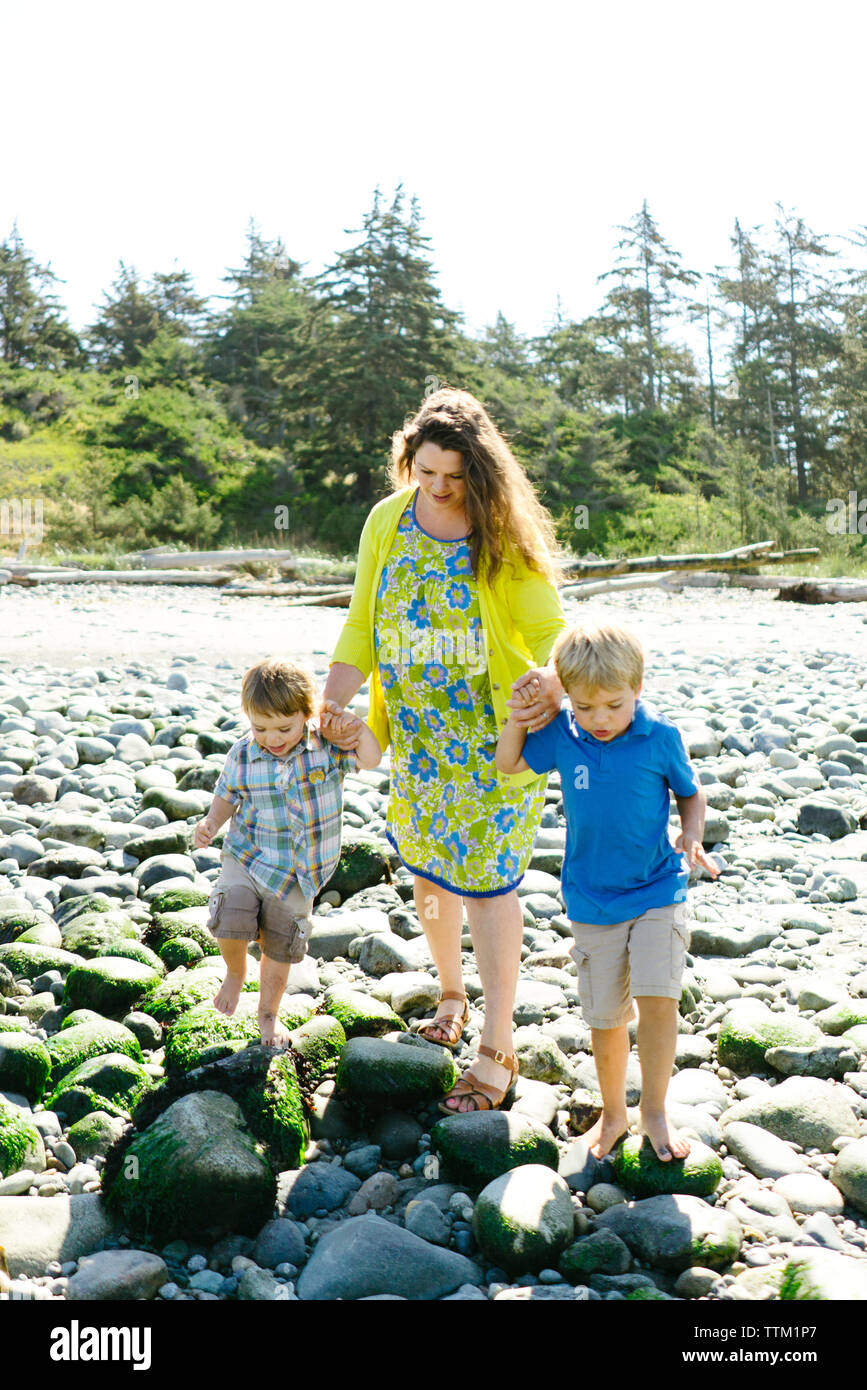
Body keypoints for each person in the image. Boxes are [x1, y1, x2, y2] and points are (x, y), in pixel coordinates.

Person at [322, 386, 567, 1112]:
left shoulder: (501, 532)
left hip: (495, 743)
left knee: (489, 884)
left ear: (479, 475)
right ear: (409, 460)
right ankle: (451, 997)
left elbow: (551, 631)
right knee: (429, 871)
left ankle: (498, 1044)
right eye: (424, 471)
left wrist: (552, 683)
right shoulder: (386, 521)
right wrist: (332, 700)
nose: (436, 487)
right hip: (418, 739)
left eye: (452, 477)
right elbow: (362, 621)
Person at [496, 620, 720, 1159]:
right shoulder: (563, 736)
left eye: (615, 706)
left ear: (637, 689)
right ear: (568, 697)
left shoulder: (659, 737)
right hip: (592, 900)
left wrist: (691, 835)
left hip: (657, 888)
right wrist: (518, 716)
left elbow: (691, 795)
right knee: (606, 1017)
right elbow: (507, 765)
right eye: (586, 707)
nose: (600, 720)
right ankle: (614, 1112)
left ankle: (656, 1112)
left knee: (659, 1000)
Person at [194, 657, 381, 1047]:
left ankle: (268, 1015)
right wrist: (212, 822)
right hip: (247, 856)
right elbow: (228, 794)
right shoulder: (244, 753)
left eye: (284, 727)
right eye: (260, 727)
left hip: (300, 871)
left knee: (281, 943)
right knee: (229, 911)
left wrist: (358, 728)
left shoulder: (326, 746)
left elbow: (370, 759)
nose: (272, 738)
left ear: (307, 714)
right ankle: (234, 970)